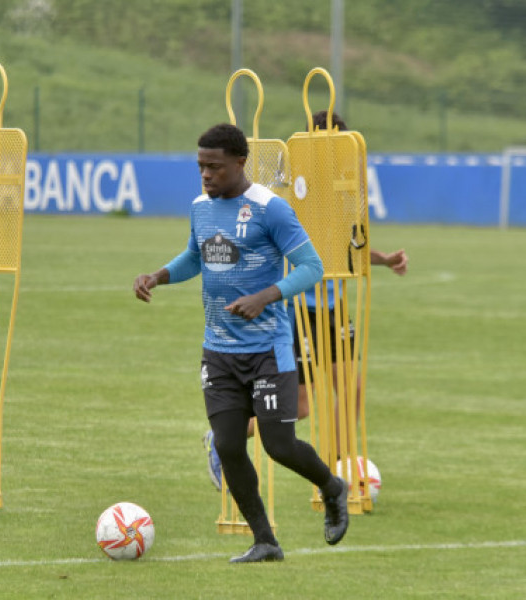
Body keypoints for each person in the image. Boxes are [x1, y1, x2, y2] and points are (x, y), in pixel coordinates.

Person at [134, 123, 349, 563]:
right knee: (228, 445)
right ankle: (265, 541)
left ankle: (332, 487)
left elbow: (312, 266)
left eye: (214, 167)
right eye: (200, 167)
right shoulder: (200, 208)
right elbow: (196, 256)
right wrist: (158, 275)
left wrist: (265, 297)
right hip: (219, 350)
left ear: (239, 162)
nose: (206, 176)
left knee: (279, 446)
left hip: (268, 348)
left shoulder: (272, 210)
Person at [203, 111, 408, 491]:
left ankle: (337, 476)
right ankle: (221, 440)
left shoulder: (342, 188)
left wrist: (383, 259)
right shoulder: (289, 189)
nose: (337, 155)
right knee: (299, 407)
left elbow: (343, 247)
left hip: (334, 306)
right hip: (298, 308)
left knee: (352, 391)